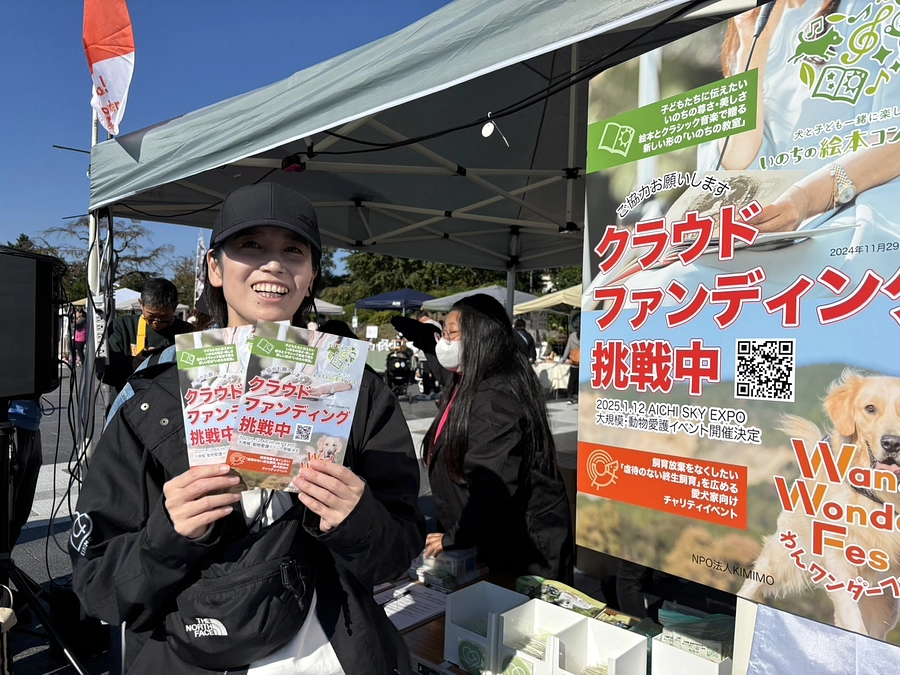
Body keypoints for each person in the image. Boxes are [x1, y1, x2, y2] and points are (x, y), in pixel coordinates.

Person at [70, 182, 425, 674]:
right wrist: (168, 536)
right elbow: (98, 589)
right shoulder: (149, 399)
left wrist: (356, 517)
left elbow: (398, 555)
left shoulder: (361, 393)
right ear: (214, 267)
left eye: (293, 250)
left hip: (331, 648)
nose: (273, 264)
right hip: (190, 651)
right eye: (250, 246)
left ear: (312, 273)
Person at [422, 293, 574, 583]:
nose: (445, 342)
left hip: (523, 552)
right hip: (497, 541)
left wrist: (455, 537)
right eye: (443, 332)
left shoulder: (496, 393)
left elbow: (492, 484)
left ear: (481, 336)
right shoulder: (470, 380)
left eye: (453, 333)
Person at [102, 278, 194, 393]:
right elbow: (104, 372)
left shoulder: (188, 333)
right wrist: (132, 364)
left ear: (175, 307)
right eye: (151, 317)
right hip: (127, 404)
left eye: (164, 318)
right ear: (141, 304)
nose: (156, 323)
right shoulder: (122, 326)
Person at [7, 399, 42, 547]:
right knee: (9, 510)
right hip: (12, 422)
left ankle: (6, 556)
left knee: (21, 510)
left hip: (31, 423)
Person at [560, 315, 581, 405]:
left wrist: (563, 359)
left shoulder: (572, 336)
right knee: (578, 380)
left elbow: (568, 348)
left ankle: (570, 396)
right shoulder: (586, 336)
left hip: (573, 361)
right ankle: (576, 395)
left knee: (572, 379)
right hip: (582, 363)